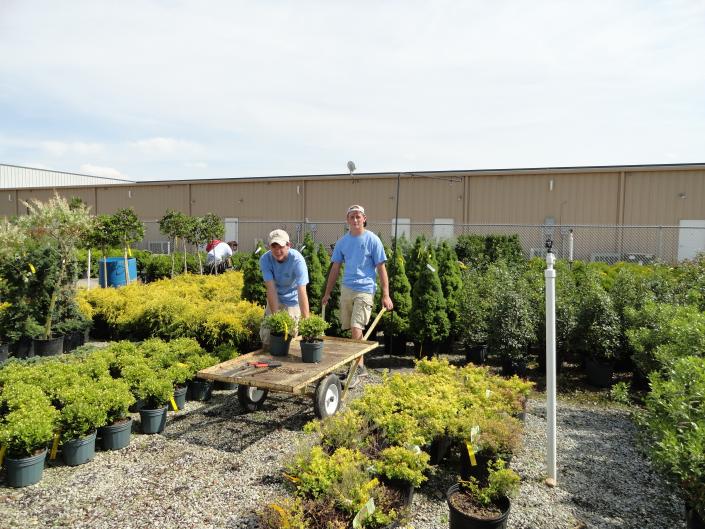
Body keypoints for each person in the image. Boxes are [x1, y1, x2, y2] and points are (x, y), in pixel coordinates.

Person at [322, 205, 393, 373]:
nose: (355, 220)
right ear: (347, 220)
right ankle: (357, 361)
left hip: (365, 289)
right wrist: (327, 293)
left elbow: (381, 268)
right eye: (352, 217)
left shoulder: (373, 240)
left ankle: (359, 366)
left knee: (356, 326)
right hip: (347, 288)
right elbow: (335, 268)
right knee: (349, 327)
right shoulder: (342, 242)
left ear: (364, 218)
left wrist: (386, 295)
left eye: (358, 217)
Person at [259, 229, 310, 347]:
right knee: (267, 336)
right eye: (274, 247)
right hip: (275, 299)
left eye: (281, 246)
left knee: (290, 339)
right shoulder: (265, 259)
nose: (277, 251)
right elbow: (271, 289)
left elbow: (302, 290)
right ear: (269, 247)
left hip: (293, 301)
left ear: (288, 245)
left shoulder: (297, 260)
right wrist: (276, 317)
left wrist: (306, 320)